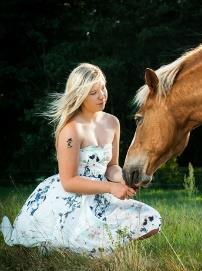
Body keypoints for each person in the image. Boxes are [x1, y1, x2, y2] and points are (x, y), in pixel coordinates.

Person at [0, 63, 161, 257]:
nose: (102, 95)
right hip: (71, 199)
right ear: (80, 95)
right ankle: (90, 244)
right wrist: (110, 188)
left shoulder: (112, 122)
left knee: (151, 220)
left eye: (103, 87)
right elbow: (69, 182)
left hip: (101, 196)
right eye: (93, 92)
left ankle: (105, 243)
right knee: (85, 247)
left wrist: (124, 180)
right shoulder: (71, 130)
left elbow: (111, 167)